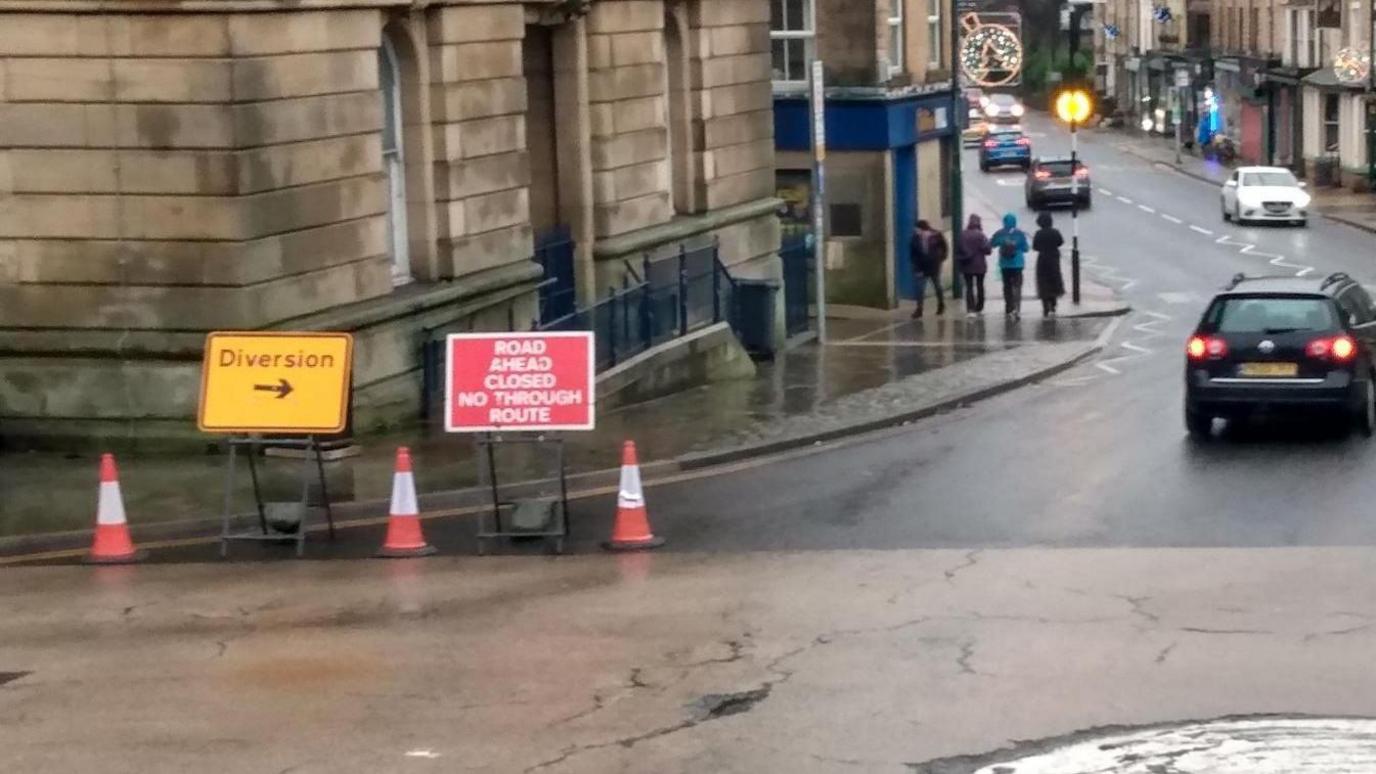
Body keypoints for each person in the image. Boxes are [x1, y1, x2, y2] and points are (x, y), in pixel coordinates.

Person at [989, 212, 1029, 319]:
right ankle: (1017, 308)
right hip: (1018, 264)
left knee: (1007, 286)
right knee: (1017, 286)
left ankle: (1008, 308)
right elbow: (1026, 249)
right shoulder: (1020, 233)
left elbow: (992, 244)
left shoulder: (1000, 233)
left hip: (1005, 264)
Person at [911, 219, 948, 318]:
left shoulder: (936, 235)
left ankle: (941, 304)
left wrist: (942, 258)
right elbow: (913, 253)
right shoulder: (915, 238)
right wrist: (915, 267)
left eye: (917, 229)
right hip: (921, 267)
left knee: (937, 286)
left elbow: (944, 247)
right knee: (920, 289)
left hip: (934, 265)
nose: (915, 231)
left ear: (922, 229)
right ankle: (919, 309)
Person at [956, 214, 991, 317]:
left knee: (969, 286)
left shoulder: (963, 235)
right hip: (980, 265)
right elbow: (988, 250)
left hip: (967, 265)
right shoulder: (981, 235)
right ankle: (979, 306)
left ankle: (970, 309)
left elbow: (958, 249)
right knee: (980, 285)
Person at [1032, 211, 1065, 317]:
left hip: (1043, 258)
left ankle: (1045, 305)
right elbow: (1060, 242)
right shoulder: (1055, 232)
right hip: (1054, 257)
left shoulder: (1038, 233)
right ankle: (1053, 302)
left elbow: (1035, 246)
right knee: (1054, 278)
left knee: (1043, 281)